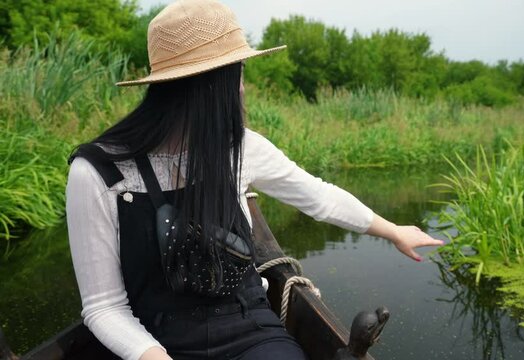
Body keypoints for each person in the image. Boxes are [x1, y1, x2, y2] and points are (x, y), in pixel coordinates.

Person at [65, 1, 444, 359]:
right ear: (210, 86)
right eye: (238, 74)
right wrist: (152, 355)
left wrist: (393, 230)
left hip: (249, 328)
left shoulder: (240, 148)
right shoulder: (97, 171)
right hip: (154, 339)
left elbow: (318, 197)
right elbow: (104, 306)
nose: (243, 88)